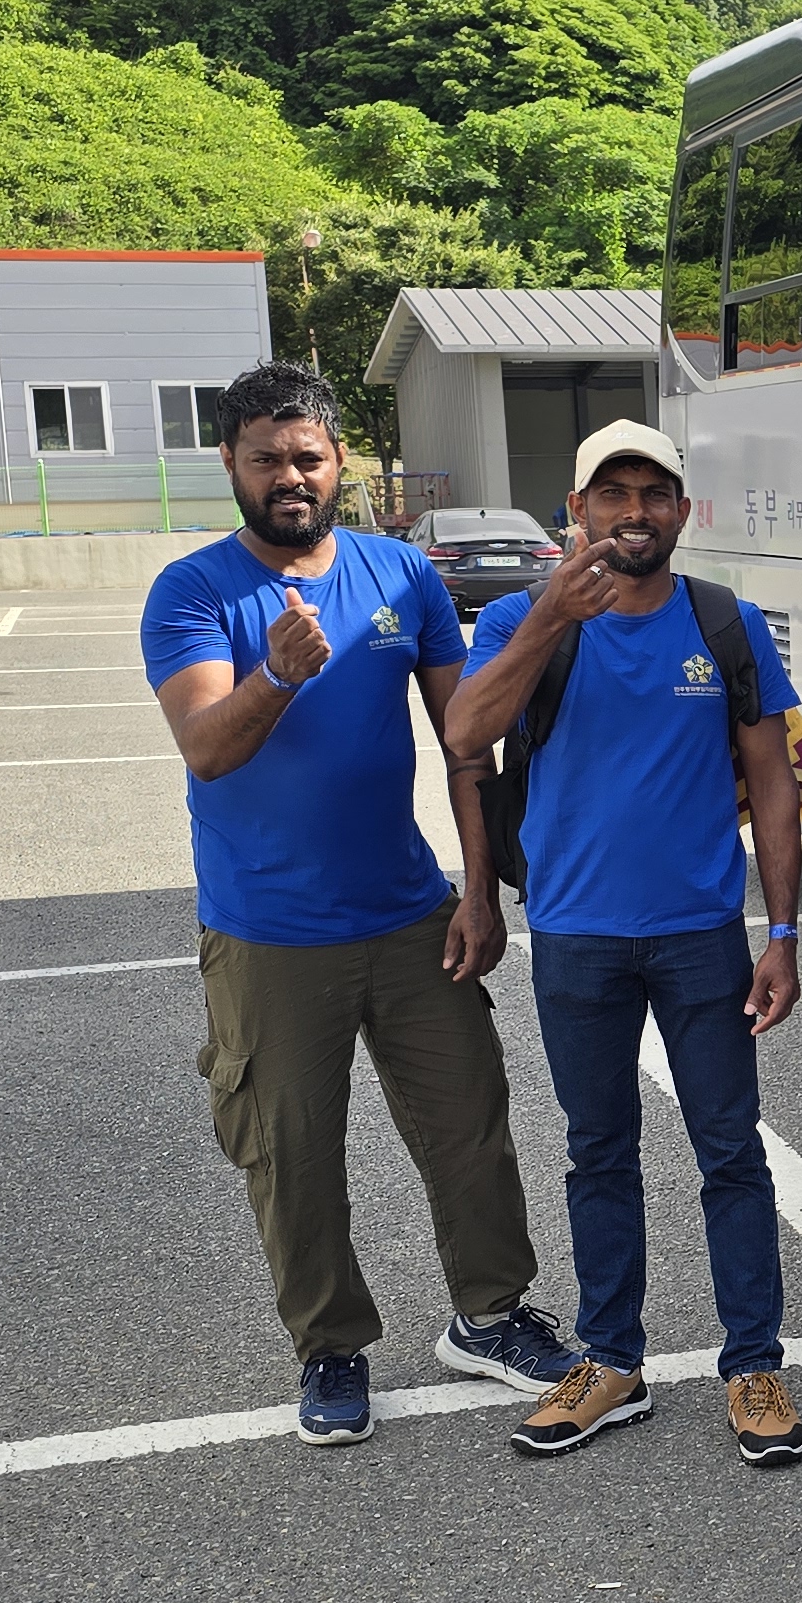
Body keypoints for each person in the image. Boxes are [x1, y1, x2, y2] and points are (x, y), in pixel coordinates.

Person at [141, 361, 557, 1449]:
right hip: (268, 932)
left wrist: (478, 890)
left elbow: (463, 742)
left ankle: (490, 1316)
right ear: (230, 463)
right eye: (266, 459)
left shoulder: (401, 573)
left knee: (468, 1125)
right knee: (293, 1153)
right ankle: (330, 1347)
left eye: (308, 457)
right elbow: (206, 749)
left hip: (409, 912)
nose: (290, 477)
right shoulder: (192, 592)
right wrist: (277, 675)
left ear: (339, 463)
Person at [442, 420, 802, 1469]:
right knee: (597, 1150)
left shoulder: (724, 621)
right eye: (613, 493)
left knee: (729, 1151)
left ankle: (753, 1364)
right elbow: (466, 734)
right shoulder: (519, 616)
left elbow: (773, 778)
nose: (634, 511)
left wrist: (783, 932)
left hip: (701, 935)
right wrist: (551, 615)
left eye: (655, 493)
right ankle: (611, 1361)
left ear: (683, 512)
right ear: (578, 511)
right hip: (574, 934)